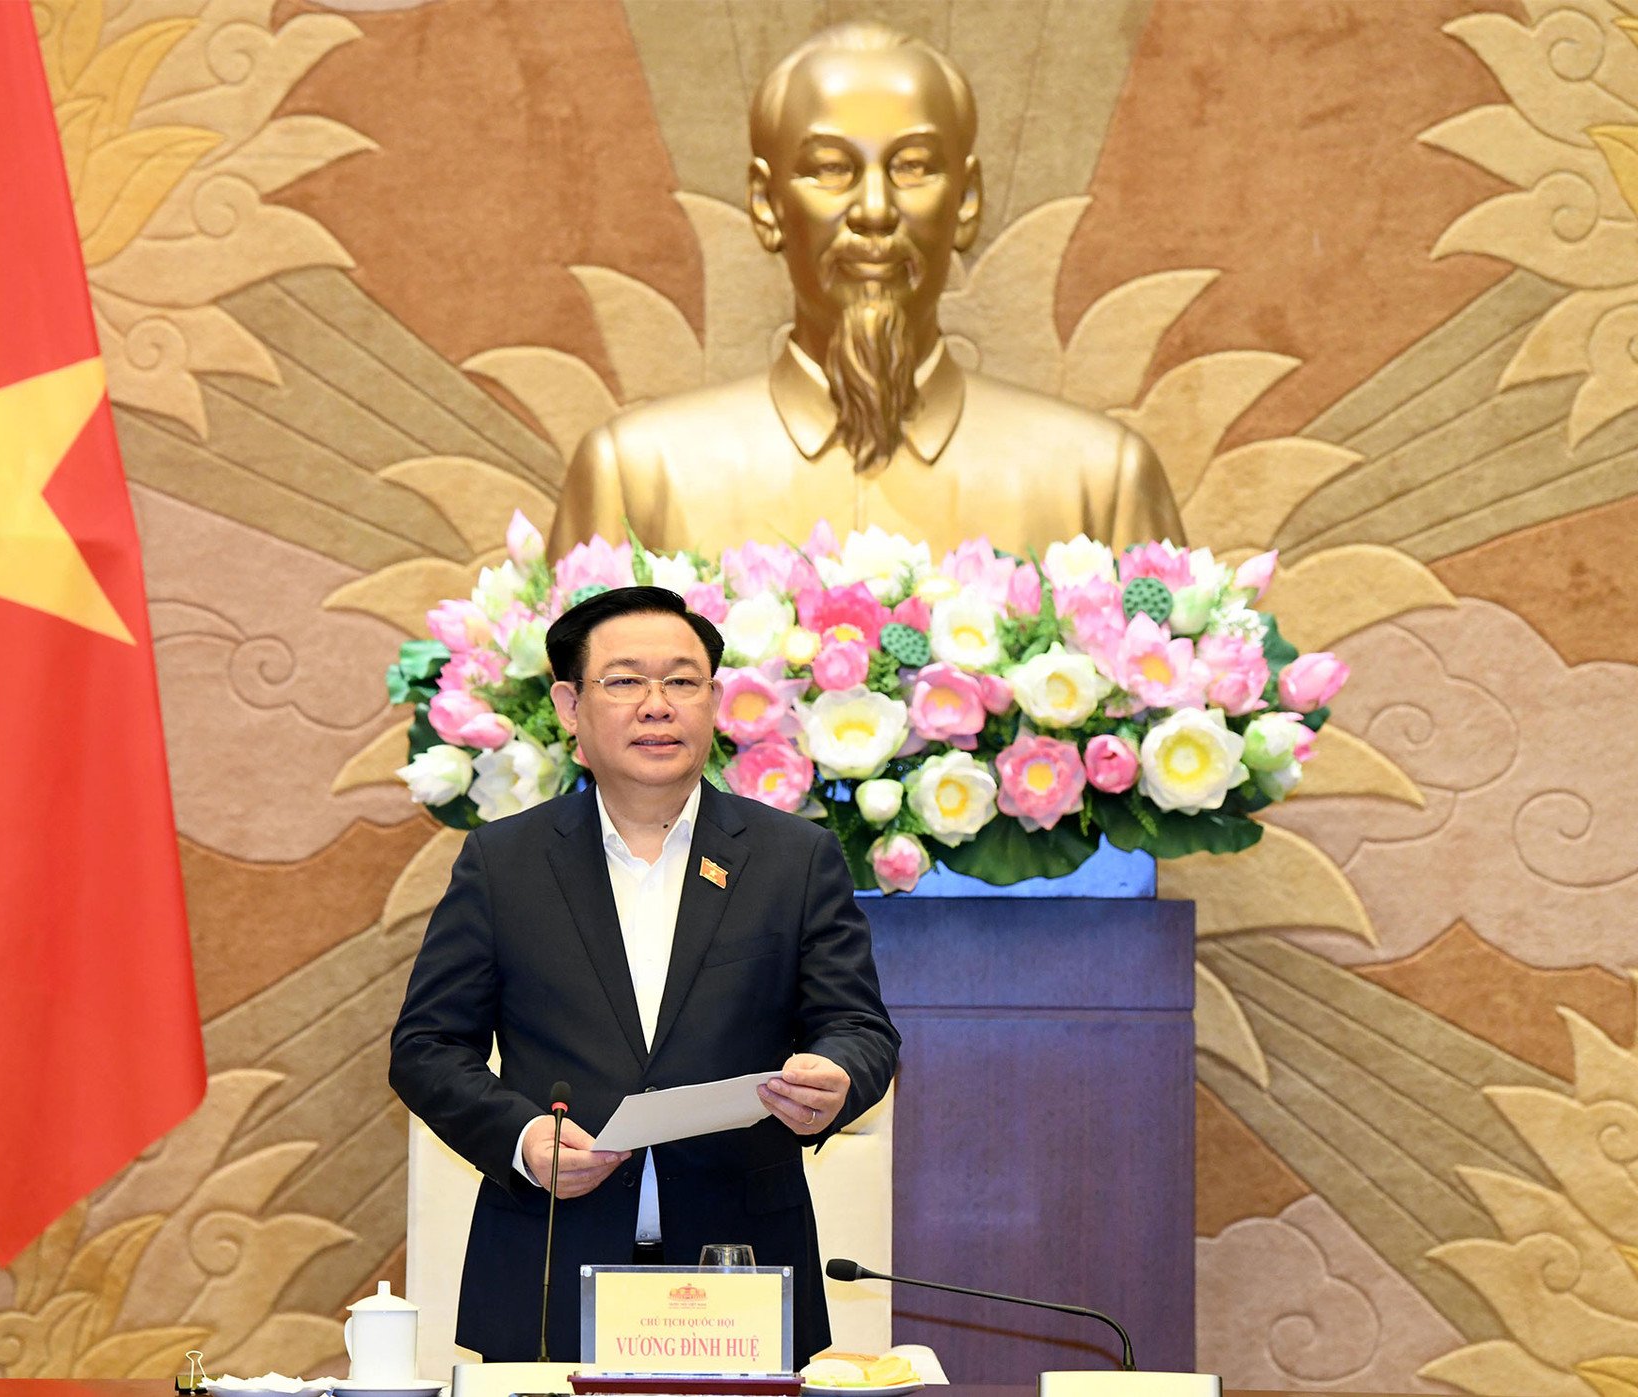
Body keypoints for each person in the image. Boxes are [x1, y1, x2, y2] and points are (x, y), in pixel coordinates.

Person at [389, 586, 901, 1366]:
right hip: (552, 1268)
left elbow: (860, 1028)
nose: (657, 705)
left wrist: (836, 1073)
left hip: (743, 1265)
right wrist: (526, 1138)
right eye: (625, 681)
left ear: (715, 701)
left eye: (683, 681)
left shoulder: (794, 856)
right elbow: (426, 1047)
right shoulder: (504, 862)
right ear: (569, 704)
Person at [548, 21, 1185, 562]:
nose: (875, 210)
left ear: (965, 202)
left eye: (912, 167)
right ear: (767, 205)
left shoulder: (1100, 484)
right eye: (831, 169)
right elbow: (568, 705)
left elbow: (1179, 706)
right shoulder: (639, 476)